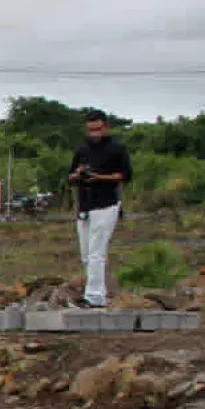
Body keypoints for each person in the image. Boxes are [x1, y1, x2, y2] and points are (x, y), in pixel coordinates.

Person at [69, 109, 133, 308]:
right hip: (85, 205)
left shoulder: (116, 149)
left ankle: (94, 296)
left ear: (106, 127)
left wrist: (99, 177)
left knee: (97, 252)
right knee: (86, 254)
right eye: (91, 130)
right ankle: (98, 292)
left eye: (98, 129)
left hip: (106, 204)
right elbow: (70, 177)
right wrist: (78, 174)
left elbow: (125, 176)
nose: (94, 134)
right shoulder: (82, 151)